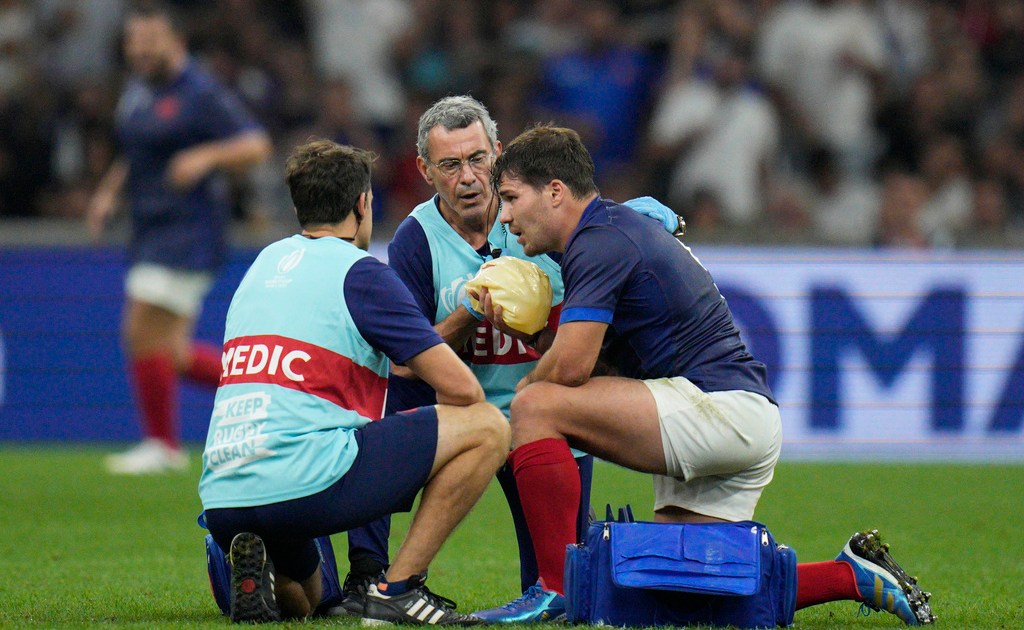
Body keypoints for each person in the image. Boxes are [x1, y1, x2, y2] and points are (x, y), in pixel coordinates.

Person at [474, 125, 936, 626]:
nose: (506, 216)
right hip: (738, 415)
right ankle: (850, 576)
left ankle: (553, 590)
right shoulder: (609, 232)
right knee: (682, 589)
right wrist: (534, 337)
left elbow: (570, 370)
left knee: (535, 405)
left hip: (716, 406)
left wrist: (530, 386)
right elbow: (597, 368)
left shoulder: (597, 240)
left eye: (512, 198)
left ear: (555, 191)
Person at [337, 96, 687, 617]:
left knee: (560, 589)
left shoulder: (539, 217)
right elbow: (406, 360)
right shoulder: (417, 239)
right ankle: (369, 572)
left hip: (542, 420)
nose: (468, 178)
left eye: (478, 159)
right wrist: (468, 312)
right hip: (465, 418)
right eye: (450, 165)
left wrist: (641, 222)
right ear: (425, 172)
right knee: (379, 411)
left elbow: (599, 238)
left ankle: (595, 547)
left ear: (498, 153)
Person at [198, 138, 508, 624]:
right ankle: (398, 589)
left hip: (223, 496)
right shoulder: (362, 274)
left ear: (299, 207)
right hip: (303, 481)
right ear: (363, 204)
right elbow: (463, 390)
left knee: (309, 598)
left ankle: (252, 570)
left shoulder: (261, 265)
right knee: (488, 425)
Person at [85, 1, 273, 474]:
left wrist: (205, 157)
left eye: (151, 40)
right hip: (150, 227)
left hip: (189, 231)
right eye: (135, 41)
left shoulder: (201, 91)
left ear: (176, 41)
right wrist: (109, 192)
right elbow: (137, 151)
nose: (141, 50)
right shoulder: (138, 91)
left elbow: (256, 144)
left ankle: (162, 445)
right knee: (173, 353)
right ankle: (273, 398)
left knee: (139, 327)